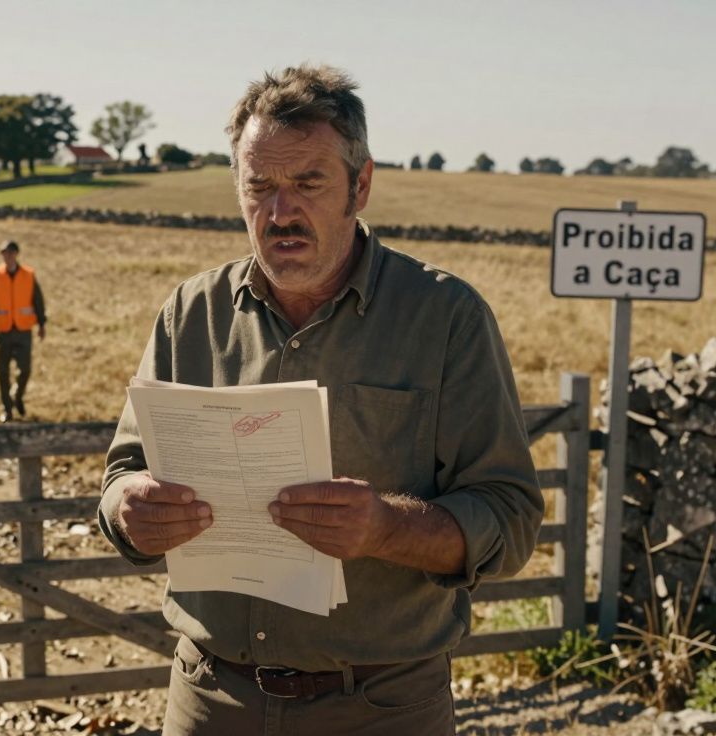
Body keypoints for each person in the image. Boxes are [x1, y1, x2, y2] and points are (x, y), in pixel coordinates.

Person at [99, 64, 542, 735]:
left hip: (384, 708)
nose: (280, 213)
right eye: (260, 188)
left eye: (308, 184)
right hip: (209, 698)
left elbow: (510, 519)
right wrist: (127, 512)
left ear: (360, 186)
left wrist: (386, 529)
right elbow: (121, 478)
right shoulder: (190, 313)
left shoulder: (446, 318)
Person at [0, 240, 47, 422]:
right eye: (4, 253)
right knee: (2, 371)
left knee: (25, 369)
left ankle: (17, 395)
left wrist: (42, 324)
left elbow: (38, 300)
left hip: (23, 329)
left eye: (10, 252)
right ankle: (7, 408)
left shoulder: (28, 275)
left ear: (16, 254)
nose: (7, 256)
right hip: (2, 331)